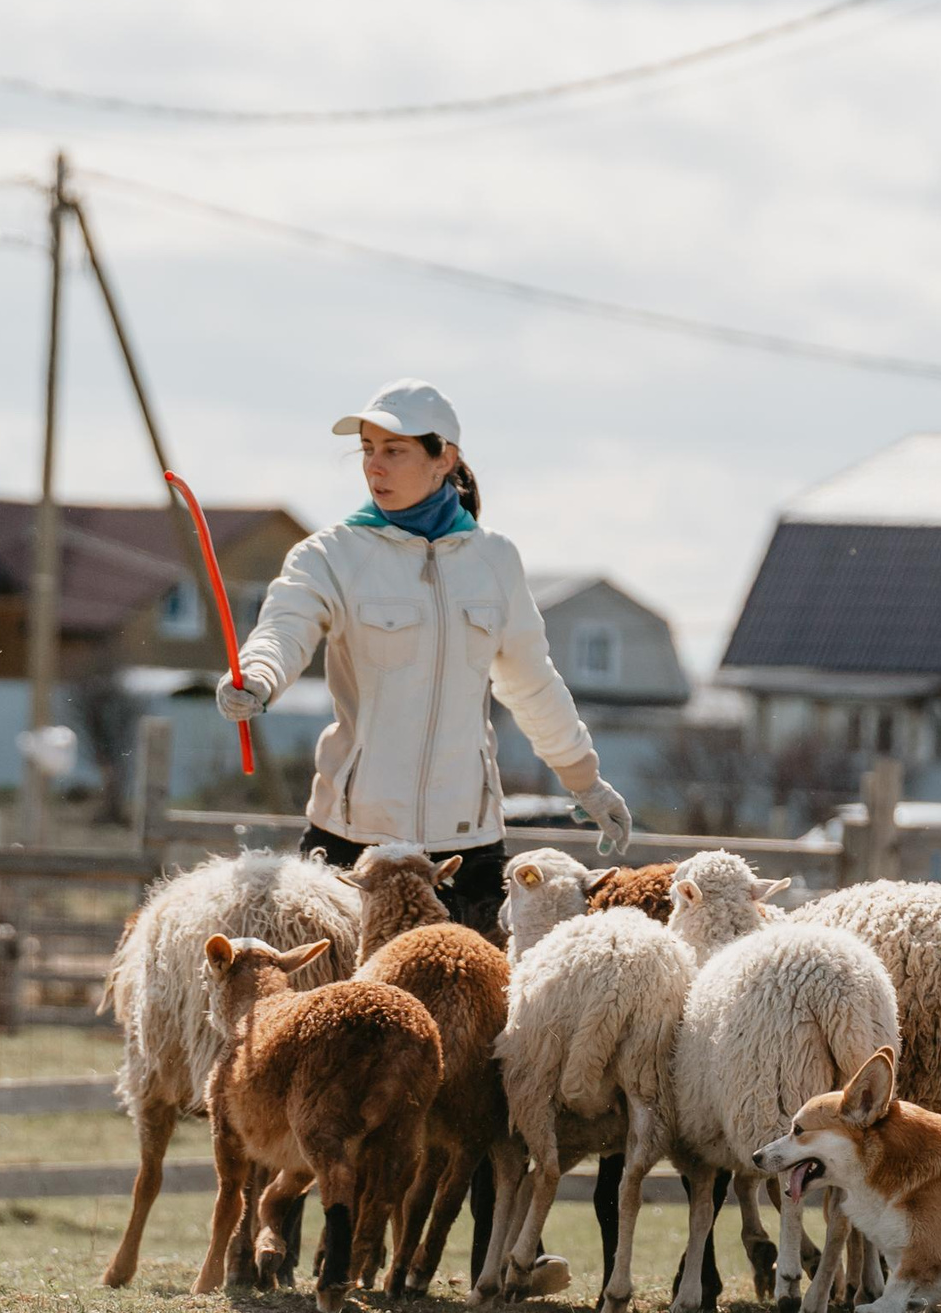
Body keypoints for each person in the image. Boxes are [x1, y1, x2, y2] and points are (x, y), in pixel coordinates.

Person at [216, 378, 631, 933]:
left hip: (468, 847)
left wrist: (585, 781)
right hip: (352, 843)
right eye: (367, 450)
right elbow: (283, 629)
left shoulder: (495, 562)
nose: (374, 467)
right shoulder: (330, 555)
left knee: (471, 1013)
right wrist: (259, 677)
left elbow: (533, 685)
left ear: (445, 459)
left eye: (394, 451)